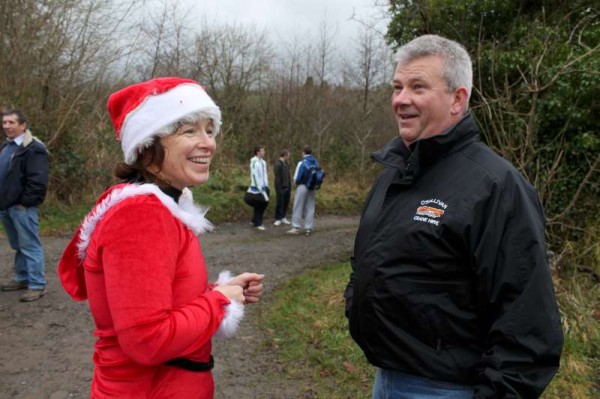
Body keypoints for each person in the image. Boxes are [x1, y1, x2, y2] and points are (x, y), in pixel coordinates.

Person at [344, 35, 563, 398]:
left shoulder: (496, 186)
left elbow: (528, 322)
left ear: (457, 99)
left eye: (418, 87)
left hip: (449, 388)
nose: (401, 100)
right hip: (385, 381)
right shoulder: (393, 174)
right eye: (397, 87)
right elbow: (366, 261)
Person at [57, 77, 264, 398]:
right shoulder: (141, 215)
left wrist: (222, 289)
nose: (208, 142)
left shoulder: (161, 206)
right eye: (189, 130)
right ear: (148, 146)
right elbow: (146, 339)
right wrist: (220, 301)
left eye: (210, 129)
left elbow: (157, 301)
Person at [0, 109, 49, 302]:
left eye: (11, 122)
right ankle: (22, 278)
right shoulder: (7, 146)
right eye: (4, 123)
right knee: (17, 244)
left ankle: (37, 284)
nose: (7, 126)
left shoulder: (33, 148)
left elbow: (38, 180)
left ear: (23, 125)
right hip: (5, 206)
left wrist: (24, 203)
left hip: (21, 207)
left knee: (29, 244)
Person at [287, 145, 319, 236]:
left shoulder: (302, 163)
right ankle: (308, 228)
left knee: (298, 206)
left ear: (303, 152)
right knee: (310, 207)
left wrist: (296, 183)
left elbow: (297, 178)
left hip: (302, 186)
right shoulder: (315, 162)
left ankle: (296, 227)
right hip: (312, 187)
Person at [247, 145, 270, 230]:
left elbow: (265, 174)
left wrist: (266, 185)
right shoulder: (254, 162)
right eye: (262, 151)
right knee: (259, 205)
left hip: (264, 187)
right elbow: (254, 175)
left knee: (264, 204)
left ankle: (255, 220)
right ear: (258, 152)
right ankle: (257, 223)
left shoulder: (263, 162)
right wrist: (258, 187)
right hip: (257, 188)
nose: (264, 152)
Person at [273, 149, 292, 226]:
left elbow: (288, 176)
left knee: (285, 202)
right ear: (284, 155)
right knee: (279, 202)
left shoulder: (287, 164)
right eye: (288, 155)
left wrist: (289, 186)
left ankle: (283, 217)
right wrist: (279, 188)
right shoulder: (278, 164)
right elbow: (277, 178)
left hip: (287, 186)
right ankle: (278, 218)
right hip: (280, 187)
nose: (289, 157)